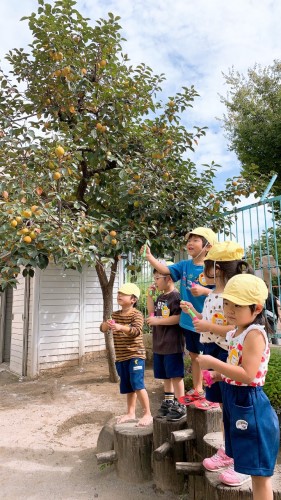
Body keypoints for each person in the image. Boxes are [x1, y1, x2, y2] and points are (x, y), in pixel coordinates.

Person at [197, 274, 280, 499]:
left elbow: (248, 375)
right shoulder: (236, 331)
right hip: (235, 400)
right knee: (246, 459)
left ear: (257, 309)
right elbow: (236, 367)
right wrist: (217, 375)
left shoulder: (254, 334)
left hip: (250, 405)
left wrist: (215, 363)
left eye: (237, 305)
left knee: (259, 476)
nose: (229, 310)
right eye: (226, 303)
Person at [141, 227, 217, 405]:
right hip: (188, 322)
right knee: (194, 356)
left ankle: (212, 392)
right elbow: (164, 269)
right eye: (189, 240)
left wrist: (204, 290)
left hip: (207, 322)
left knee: (208, 358)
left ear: (208, 246)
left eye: (196, 240)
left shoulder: (213, 268)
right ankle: (198, 389)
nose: (190, 243)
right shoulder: (184, 265)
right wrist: (149, 257)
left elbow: (221, 294)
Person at [100, 283, 152, 427]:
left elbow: (136, 330)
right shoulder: (115, 315)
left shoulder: (137, 314)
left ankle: (147, 413)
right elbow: (102, 328)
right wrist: (106, 325)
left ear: (133, 299)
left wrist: (120, 327)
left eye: (124, 294)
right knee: (129, 385)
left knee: (137, 383)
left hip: (136, 354)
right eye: (119, 293)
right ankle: (131, 412)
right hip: (122, 356)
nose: (119, 296)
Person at [146, 263, 186, 421]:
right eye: (154, 278)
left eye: (157, 278)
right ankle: (168, 401)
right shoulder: (161, 297)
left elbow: (178, 318)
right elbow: (152, 313)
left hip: (172, 344)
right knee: (165, 376)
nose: (155, 281)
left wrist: (158, 322)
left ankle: (181, 403)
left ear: (169, 278)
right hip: (159, 343)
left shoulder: (175, 297)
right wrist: (149, 296)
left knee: (176, 375)